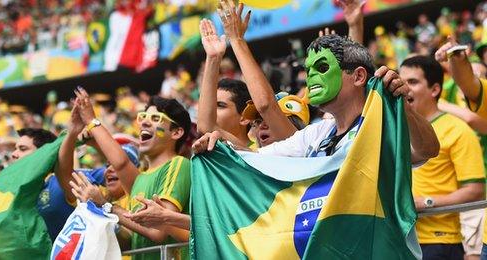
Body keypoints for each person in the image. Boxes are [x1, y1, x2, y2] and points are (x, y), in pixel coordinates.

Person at [195, 0, 438, 163]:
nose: (311, 77)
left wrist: (405, 109)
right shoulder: (315, 136)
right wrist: (214, 58)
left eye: (321, 68)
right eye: (308, 69)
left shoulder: (383, 124)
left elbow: (427, 150)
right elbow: (251, 155)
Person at [70, 87, 191, 260]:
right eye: (143, 117)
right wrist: (91, 121)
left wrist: (106, 205)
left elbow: (158, 231)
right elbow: (120, 162)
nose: (144, 123)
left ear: (176, 132)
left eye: (156, 118)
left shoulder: (178, 164)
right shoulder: (141, 178)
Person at [399, 55, 486, 260]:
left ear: (435, 89)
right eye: (401, 81)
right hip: (400, 238)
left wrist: (426, 202)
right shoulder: (396, 128)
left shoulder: (458, 130)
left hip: (439, 242)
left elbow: (475, 190)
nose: (404, 88)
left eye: (412, 82)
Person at [196, 18, 253, 149]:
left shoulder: (259, 150)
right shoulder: (209, 151)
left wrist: (213, 59)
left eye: (220, 106)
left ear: (244, 118)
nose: (210, 110)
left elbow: (205, 125)